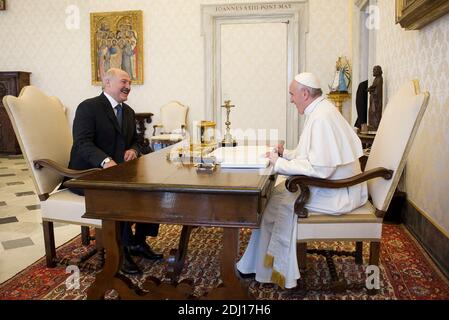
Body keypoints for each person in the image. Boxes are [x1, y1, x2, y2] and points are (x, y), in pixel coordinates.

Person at [236, 72, 368, 289]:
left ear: (305, 93)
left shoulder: (322, 118)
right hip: (337, 185)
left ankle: (268, 270)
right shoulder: (320, 111)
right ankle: (254, 265)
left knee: (274, 203)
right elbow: (312, 155)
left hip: (338, 194)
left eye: (292, 94)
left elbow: (321, 169)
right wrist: (286, 154)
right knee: (274, 197)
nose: (291, 99)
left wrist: (278, 164)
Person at [68, 68, 163, 275]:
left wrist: (133, 150)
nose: (128, 87)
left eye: (129, 83)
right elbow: (82, 143)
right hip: (88, 175)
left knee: (154, 189)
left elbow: (136, 141)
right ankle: (121, 250)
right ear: (107, 82)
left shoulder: (127, 111)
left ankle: (138, 242)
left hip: (118, 174)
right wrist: (105, 160)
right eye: (123, 82)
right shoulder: (88, 107)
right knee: (122, 196)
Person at [368, 65, 383, 130]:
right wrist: (370, 88)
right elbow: (374, 87)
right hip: (373, 100)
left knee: (375, 114)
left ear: (378, 71)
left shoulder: (380, 79)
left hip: (376, 101)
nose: (373, 71)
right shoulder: (375, 79)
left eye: (374, 70)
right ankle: (372, 125)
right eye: (373, 70)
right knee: (371, 112)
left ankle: (375, 127)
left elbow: (377, 92)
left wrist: (371, 90)